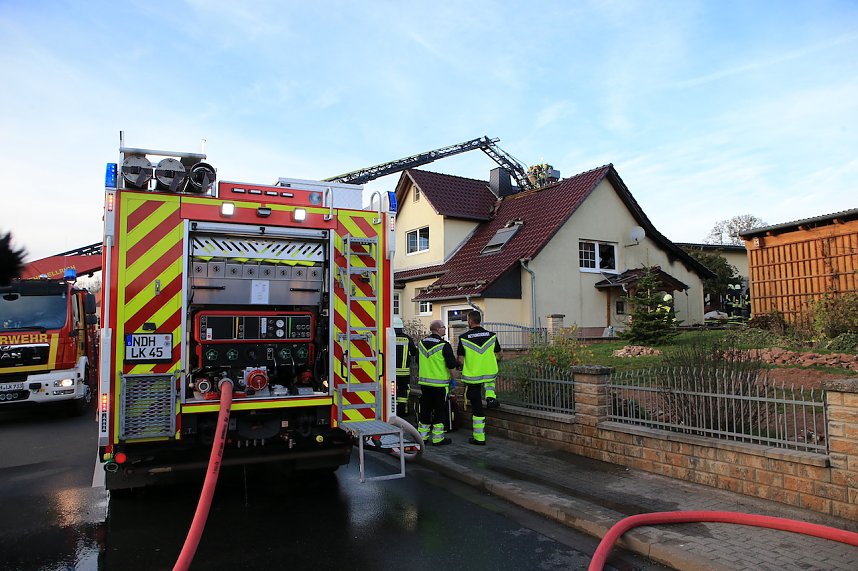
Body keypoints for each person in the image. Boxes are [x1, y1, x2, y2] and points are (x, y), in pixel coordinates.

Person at [457, 310, 502, 446]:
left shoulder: (463, 337)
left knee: (476, 406)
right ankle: (490, 397)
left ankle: (479, 437)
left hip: (473, 376)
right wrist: (492, 361)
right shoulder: (492, 336)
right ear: (479, 320)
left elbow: (460, 359)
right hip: (489, 373)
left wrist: (468, 366)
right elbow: (499, 354)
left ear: (470, 321)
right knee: (489, 382)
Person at [417, 319, 457, 446]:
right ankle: (438, 438)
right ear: (438, 329)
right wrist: (453, 380)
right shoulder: (444, 345)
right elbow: (451, 365)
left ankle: (422, 437)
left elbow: (418, 361)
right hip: (440, 385)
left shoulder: (421, 343)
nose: (445, 329)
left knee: (425, 409)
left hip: (424, 384)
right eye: (444, 327)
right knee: (440, 410)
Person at [394, 317, 417, 417]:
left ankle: (392, 410)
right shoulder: (408, 339)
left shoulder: (388, 337)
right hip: (404, 372)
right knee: (403, 391)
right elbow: (414, 353)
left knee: (392, 391)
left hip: (391, 372)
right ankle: (402, 411)